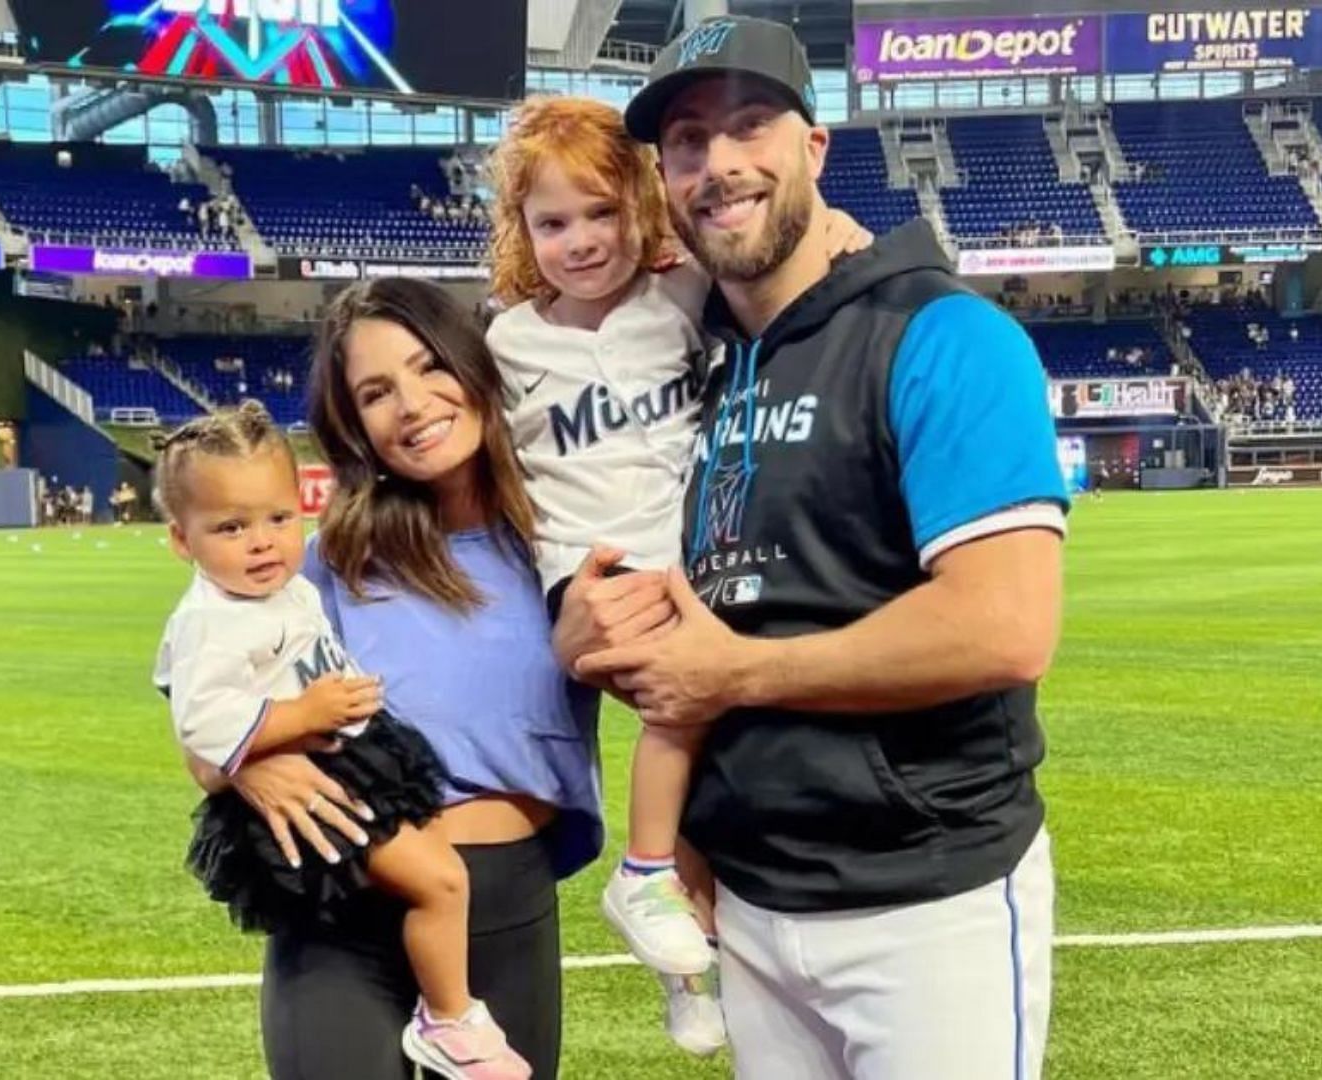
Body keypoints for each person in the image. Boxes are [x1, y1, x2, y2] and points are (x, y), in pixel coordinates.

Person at [559, 16, 1066, 1078]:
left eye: (751, 125)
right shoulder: (696, 363)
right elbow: (682, 603)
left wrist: (734, 675)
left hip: (929, 900)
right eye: (688, 142)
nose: (719, 165)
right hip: (747, 898)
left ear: (814, 147)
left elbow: (1004, 626)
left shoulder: (943, 335)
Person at [482, 94, 872, 1057]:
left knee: (711, 741)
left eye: (603, 213)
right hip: (590, 565)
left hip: (686, 551)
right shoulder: (506, 341)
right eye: (553, 223)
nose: (580, 241)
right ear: (523, 234)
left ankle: (687, 972)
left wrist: (845, 229)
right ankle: (645, 869)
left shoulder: (681, 297)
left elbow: (784, 257)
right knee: (682, 707)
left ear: (642, 207)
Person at [192, 278, 602, 1078]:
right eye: (376, 392)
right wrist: (259, 766)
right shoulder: (327, 566)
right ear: (355, 427)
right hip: (341, 903)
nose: (411, 404)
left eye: (428, 367)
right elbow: (207, 739)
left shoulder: (565, 545)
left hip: (501, 906)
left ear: (474, 365)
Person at [152, 405, 530, 1079]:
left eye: (278, 518)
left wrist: (343, 698)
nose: (263, 542)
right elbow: (202, 725)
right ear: (183, 541)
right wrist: (302, 716)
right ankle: (450, 1020)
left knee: (439, 877)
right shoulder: (213, 619)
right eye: (231, 527)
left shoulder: (285, 590)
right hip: (323, 783)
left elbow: (303, 659)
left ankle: (448, 1015)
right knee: (442, 882)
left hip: (353, 758)